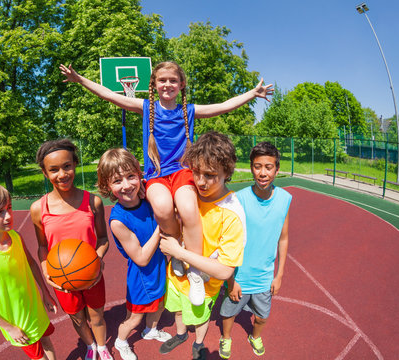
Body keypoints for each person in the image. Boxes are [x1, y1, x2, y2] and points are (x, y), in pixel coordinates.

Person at [60, 61, 272, 306]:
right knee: (161, 207)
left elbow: (223, 107)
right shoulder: (147, 107)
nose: (167, 84)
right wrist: (80, 79)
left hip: (182, 171)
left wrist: (252, 94)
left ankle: (193, 269)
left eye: (173, 80)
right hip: (157, 174)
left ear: (181, 85)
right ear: (154, 85)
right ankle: (178, 249)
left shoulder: (189, 111)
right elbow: (110, 95)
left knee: (189, 207)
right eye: (162, 80)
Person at [158, 131, 246, 360]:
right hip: (177, 274)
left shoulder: (231, 213)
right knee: (177, 309)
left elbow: (226, 270)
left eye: (210, 175)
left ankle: (198, 342)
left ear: (228, 171)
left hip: (204, 285)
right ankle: (180, 335)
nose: (200, 181)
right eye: (196, 172)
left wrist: (179, 252)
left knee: (199, 316)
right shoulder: (190, 192)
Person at [30, 139, 113, 360]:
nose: (62, 174)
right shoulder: (38, 209)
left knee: (97, 316)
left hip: (91, 273)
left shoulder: (92, 202)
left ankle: (103, 347)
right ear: (45, 173)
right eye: (54, 170)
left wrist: (98, 257)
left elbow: (103, 238)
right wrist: (47, 271)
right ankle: (90, 346)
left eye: (67, 166)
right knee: (77, 318)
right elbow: (41, 247)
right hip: (61, 277)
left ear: (75, 164)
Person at [96, 148, 172, 360]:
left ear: (139, 175)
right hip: (142, 277)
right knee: (134, 318)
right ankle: (121, 342)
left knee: (161, 303)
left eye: (131, 176)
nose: (127, 185)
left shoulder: (148, 196)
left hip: (159, 267)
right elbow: (140, 257)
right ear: (107, 186)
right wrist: (161, 227)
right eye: (117, 180)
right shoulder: (119, 220)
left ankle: (151, 330)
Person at [218, 142, 291, 359]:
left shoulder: (285, 199)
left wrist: (279, 275)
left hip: (265, 277)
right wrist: (231, 279)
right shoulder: (238, 199)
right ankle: (226, 338)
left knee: (262, 317)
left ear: (277, 170)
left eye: (268, 167)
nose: (263, 172)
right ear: (251, 167)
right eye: (258, 166)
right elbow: (226, 242)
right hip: (239, 275)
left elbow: (284, 238)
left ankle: (255, 336)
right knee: (228, 313)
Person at [0, 183, 57, 360]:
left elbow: (32, 264)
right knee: (39, 357)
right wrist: (8, 327)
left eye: (9, 208)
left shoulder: (16, 237)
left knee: (47, 342)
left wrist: (45, 294)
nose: (8, 215)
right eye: (0, 212)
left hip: (34, 309)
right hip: (17, 321)